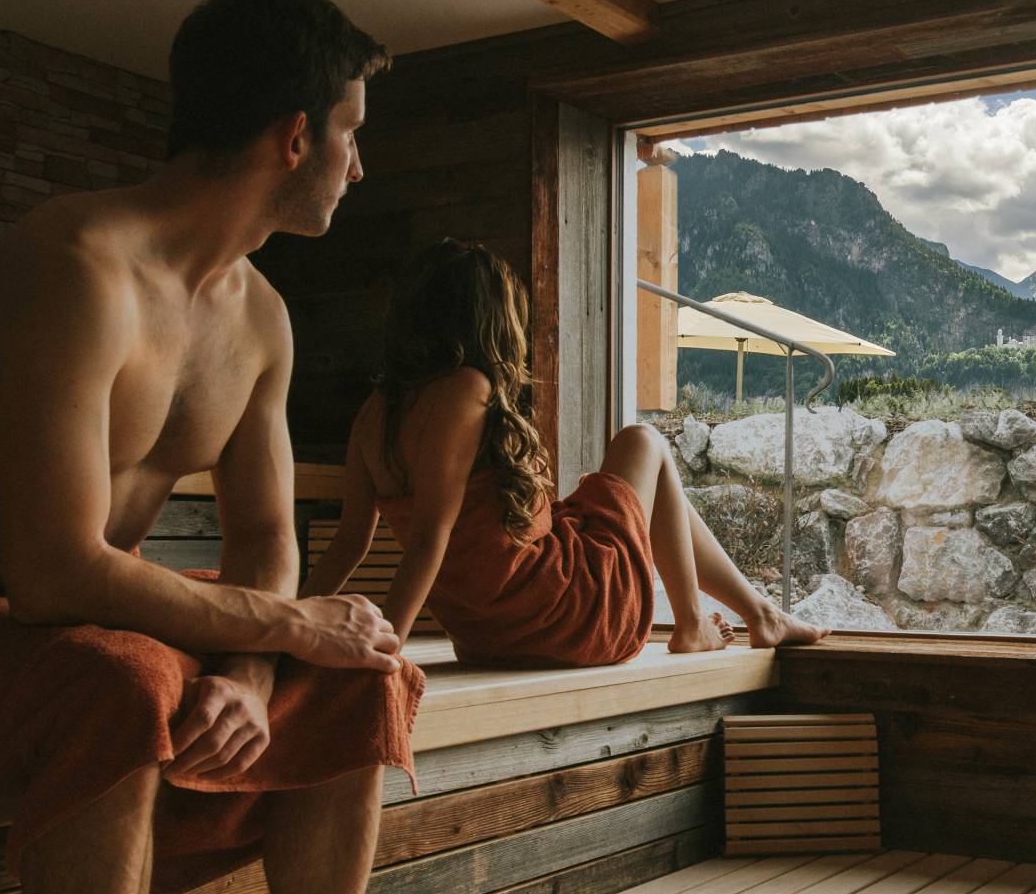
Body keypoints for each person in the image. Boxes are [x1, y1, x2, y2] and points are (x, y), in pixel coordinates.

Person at [0, 0, 465, 894]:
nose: (357, 169)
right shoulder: (73, 262)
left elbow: (267, 547)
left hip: (76, 607)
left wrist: (261, 674)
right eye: (352, 137)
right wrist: (278, 624)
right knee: (123, 682)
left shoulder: (260, 316)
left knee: (368, 670)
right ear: (296, 135)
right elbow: (51, 571)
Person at [303, 238, 829, 666]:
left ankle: (753, 614)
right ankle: (702, 622)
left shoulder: (375, 413)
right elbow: (428, 538)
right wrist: (388, 648)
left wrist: (291, 627)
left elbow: (349, 543)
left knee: (614, 494)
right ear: (490, 321)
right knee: (643, 441)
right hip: (567, 616)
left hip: (487, 638)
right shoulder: (465, 388)